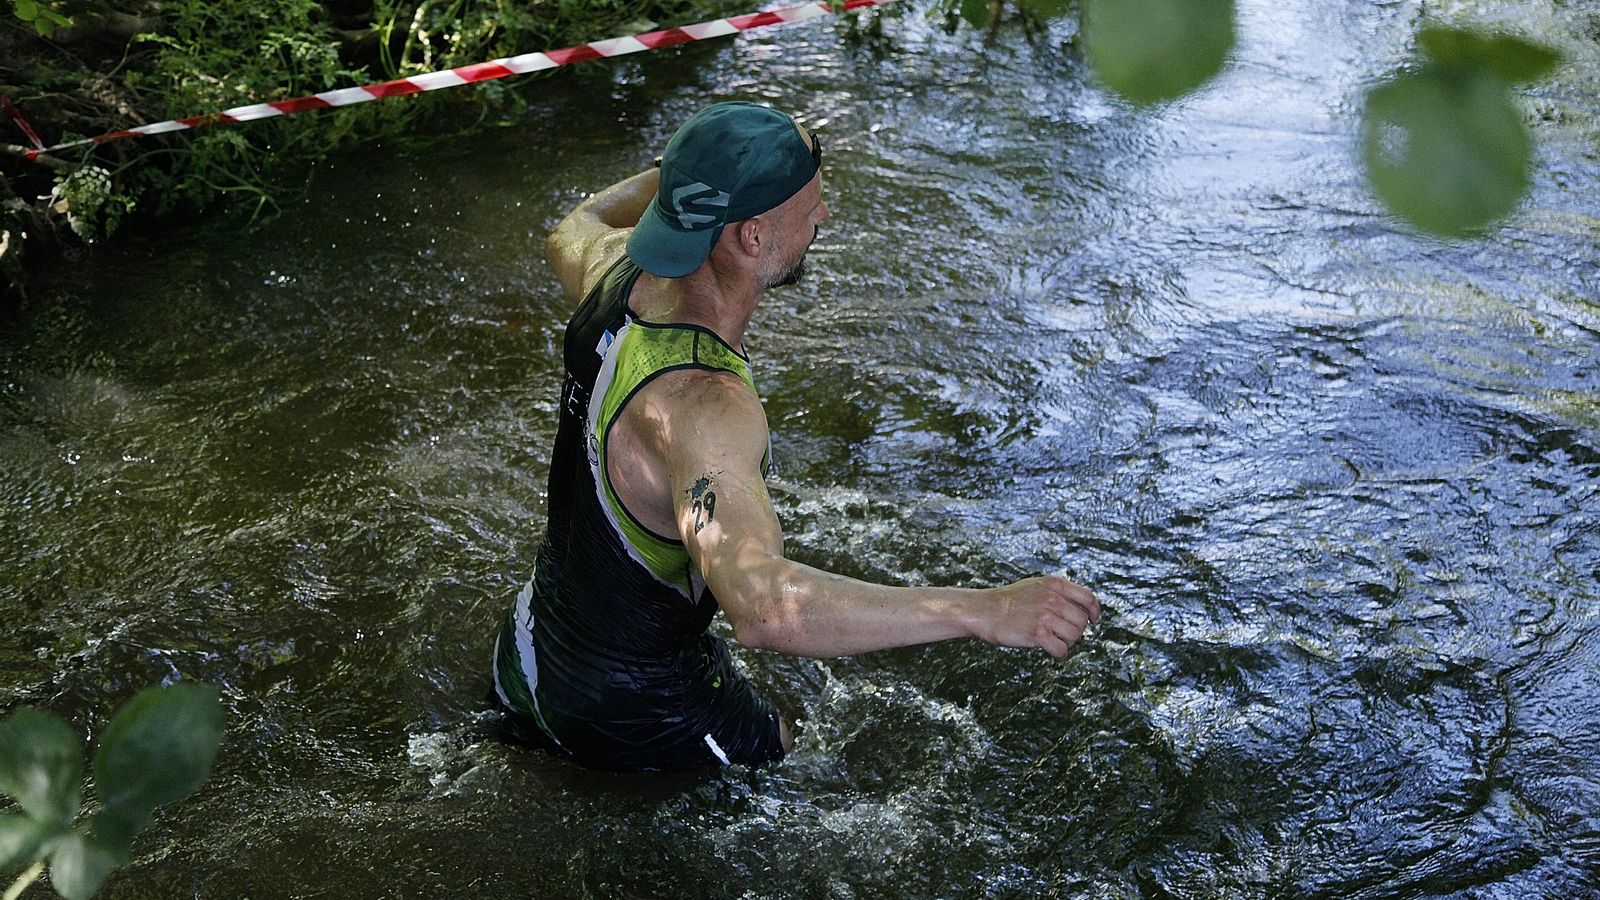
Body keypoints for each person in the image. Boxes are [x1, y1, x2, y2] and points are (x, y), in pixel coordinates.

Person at [491, 101, 1100, 772]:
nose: (823, 219)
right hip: (631, 708)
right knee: (802, 768)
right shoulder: (704, 407)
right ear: (752, 238)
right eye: (810, 210)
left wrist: (689, 177)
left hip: (527, 650)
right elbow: (762, 607)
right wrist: (983, 610)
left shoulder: (611, 274)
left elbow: (571, 228)